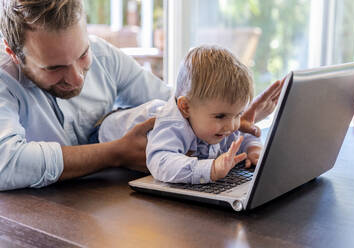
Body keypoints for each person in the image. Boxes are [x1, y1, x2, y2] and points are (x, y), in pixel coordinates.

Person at [0, 0, 281, 191]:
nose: (77, 77)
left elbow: (178, 105)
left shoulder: (104, 55)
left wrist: (226, 116)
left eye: (82, 54)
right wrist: (114, 153)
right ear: (13, 54)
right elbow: (6, 163)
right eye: (55, 68)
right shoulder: (4, 79)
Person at [98, 45, 279, 183]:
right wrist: (211, 169)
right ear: (185, 108)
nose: (232, 125)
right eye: (221, 116)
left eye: (238, 114)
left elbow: (240, 137)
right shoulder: (172, 124)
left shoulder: (222, 121)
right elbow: (161, 163)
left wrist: (253, 148)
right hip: (101, 133)